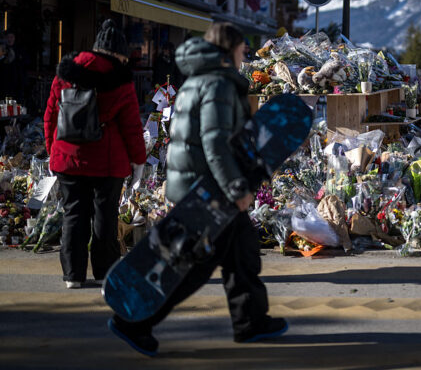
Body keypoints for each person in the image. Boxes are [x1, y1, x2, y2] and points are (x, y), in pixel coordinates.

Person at [107, 22, 287, 357]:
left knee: (242, 249)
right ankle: (133, 322)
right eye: (241, 48)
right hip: (207, 190)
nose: (244, 54)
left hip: (200, 185)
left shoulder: (197, 78)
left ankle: (251, 321)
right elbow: (215, 142)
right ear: (227, 49)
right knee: (193, 265)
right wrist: (236, 186)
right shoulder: (217, 83)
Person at [44, 19, 146, 289]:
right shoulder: (121, 80)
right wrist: (139, 161)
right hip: (108, 161)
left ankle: (72, 276)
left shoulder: (65, 72)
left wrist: (52, 150)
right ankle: (104, 273)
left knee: (73, 215)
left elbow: (51, 115)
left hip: (67, 156)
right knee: (104, 217)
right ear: (116, 52)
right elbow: (132, 126)